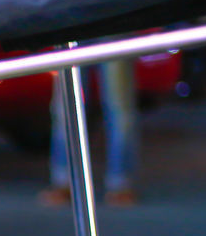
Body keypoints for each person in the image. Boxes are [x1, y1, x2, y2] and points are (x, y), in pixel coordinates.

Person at [40, 59, 140, 207]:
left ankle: (120, 183)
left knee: (119, 108)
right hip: (69, 36)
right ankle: (64, 181)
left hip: (107, 37)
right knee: (66, 107)